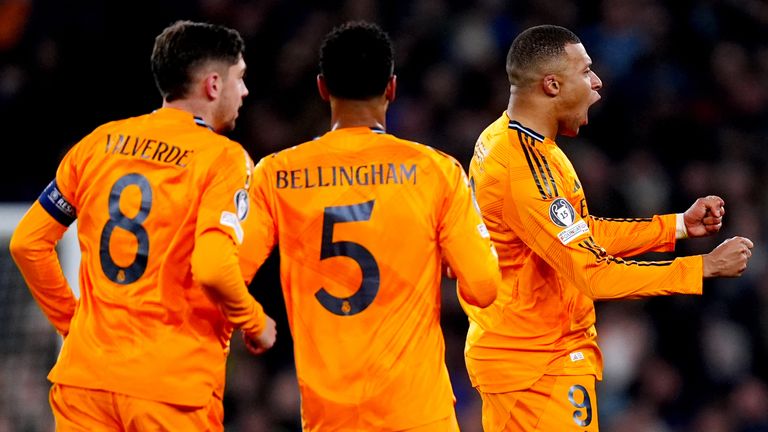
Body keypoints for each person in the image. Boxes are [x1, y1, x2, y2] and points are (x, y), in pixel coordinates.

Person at [460, 24, 754, 431]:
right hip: (537, 367)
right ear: (551, 85)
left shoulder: (517, 142)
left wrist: (675, 228)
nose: (597, 82)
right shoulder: (522, 168)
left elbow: (579, 234)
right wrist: (702, 268)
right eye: (585, 71)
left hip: (530, 356)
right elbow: (592, 274)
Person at [9, 20, 276, 431]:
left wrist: (73, 323)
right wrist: (255, 321)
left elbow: (27, 244)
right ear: (212, 85)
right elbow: (212, 266)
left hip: (85, 381)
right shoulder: (223, 159)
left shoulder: (98, 143)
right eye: (239, 79)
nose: (244, 92)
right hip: (169, 388)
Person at [238, 21, 501, 431]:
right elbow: (484, 287)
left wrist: (254, 322)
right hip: (418, 412)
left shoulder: (277, 174)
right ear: (392, 88)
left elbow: (230, 272)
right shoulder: (436, 172)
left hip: (331, 417)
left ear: (323, 88)